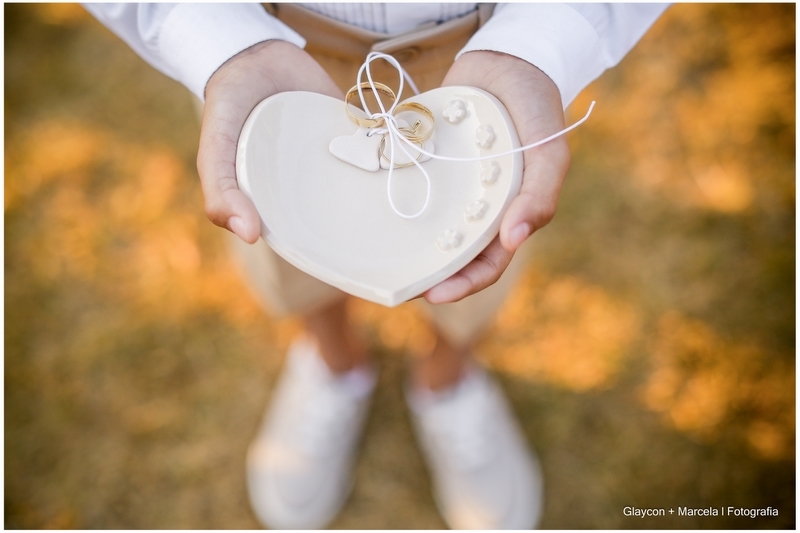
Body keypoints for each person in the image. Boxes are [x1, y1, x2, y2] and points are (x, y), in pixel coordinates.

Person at [85, 3, 668, 529]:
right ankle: (336, 362)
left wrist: (544, 41)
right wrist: (218, 39)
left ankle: (448, 380)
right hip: (269, 51)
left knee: (481, 248)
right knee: (287, 247)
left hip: (489, 50)